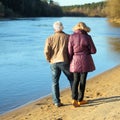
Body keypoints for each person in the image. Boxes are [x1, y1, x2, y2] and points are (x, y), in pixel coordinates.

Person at [44, 21, 73, 107]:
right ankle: (75, 98)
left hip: (53, 62)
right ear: (62, 28)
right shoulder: (68, 37)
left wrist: (49, 59)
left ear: (54, 29)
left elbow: (46, 51)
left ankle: (56, 102)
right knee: (72, 79)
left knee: (55, 82)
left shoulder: (49, 38)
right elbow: (71, 50)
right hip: (65, 61)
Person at [68, 22, 97, 107]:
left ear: (76, 28)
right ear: (85, 28)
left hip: (75, 60)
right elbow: (93, 51)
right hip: (85, 60)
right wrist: (86, 51)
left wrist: (70, 61)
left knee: (75, 80)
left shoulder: (71, 37)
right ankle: (80, 100)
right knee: (83, 80)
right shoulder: (88, 37)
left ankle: (74, 99)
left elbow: (70, 52)